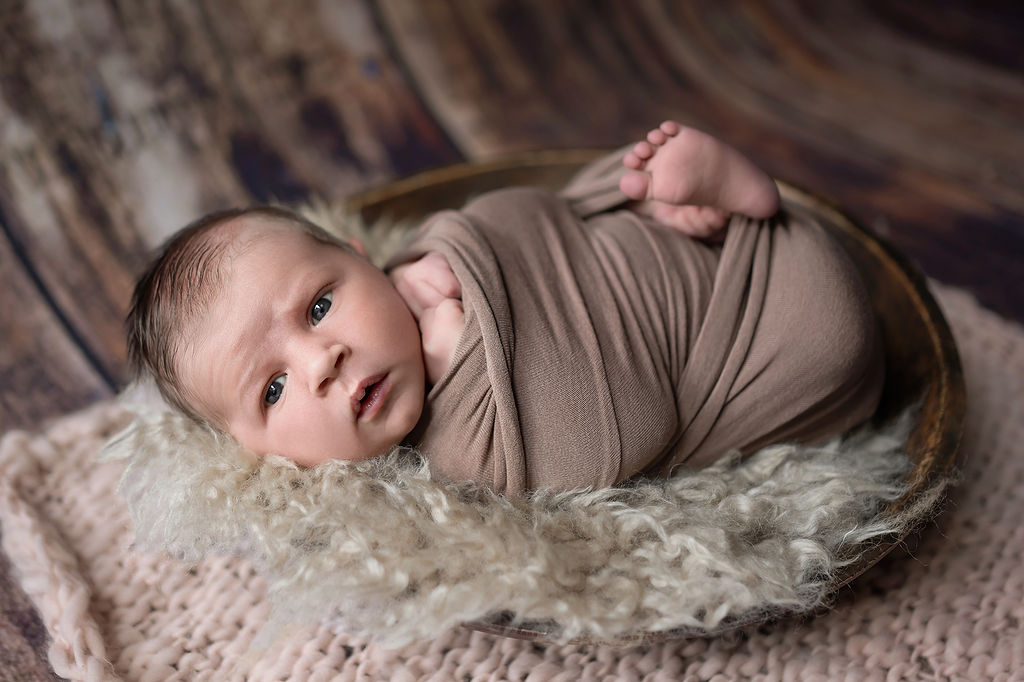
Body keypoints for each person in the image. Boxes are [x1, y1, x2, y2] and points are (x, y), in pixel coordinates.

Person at [127, 122, 883, 495]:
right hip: (779, 329)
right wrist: (468, 351)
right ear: (256, 453)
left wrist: (449, 257)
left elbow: (529, 223)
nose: (321, 361)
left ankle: (689, 201)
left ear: (362, 258)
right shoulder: (456, 466)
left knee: (534, 208)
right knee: (829, 344)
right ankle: (723, 215)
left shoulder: (419, 267)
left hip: (654, 253)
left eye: (320, 305)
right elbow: (618, 434)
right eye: (272, 388)